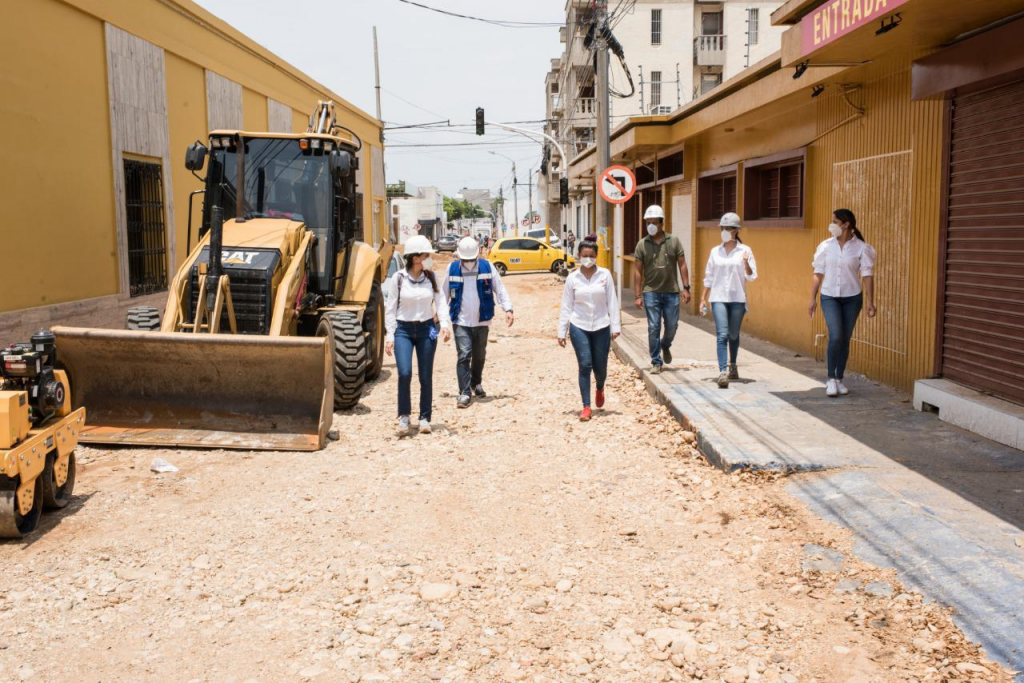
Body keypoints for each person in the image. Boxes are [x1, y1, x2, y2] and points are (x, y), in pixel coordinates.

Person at [384, 235, 452, 435]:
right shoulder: (398, 278)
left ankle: (424, 418)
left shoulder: (431, 277)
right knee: (404, 373)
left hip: (426, 329)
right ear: (416, 258)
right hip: (403, 330)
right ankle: (404, 417)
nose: (430, 259)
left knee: (425, 376)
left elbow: (440, 302)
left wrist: (445, 324)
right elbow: (390, 309)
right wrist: (390, 336)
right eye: (426, 255)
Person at [809, 208, 877, 397]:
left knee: (845, 338)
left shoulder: (861, 248)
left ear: (846, 225)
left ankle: (839, 378)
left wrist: (871, 302)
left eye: (835, 222)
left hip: (852, 298)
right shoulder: (825, 246)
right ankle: (830, 379)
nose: (831, 225)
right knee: (836, 335)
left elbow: (867, 275)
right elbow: (818, 272)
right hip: (829, 296)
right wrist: (812, 298)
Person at [442, 237, 514, 408]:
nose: (468, 262)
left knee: (479, 356)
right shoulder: (452, 268)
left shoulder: (487, 267)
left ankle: (476, 383)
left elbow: (500, 289)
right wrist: (442, 320)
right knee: (464, 355)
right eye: (465, 259)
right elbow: (443, 295)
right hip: (461, 320)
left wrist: (508, 309)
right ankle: (465, 392)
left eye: (470, 259)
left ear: (477, 255)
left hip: (482, 320)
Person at [558, 236, 621, 422]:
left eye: (591, 255)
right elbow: (566, 306)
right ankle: (586, 406)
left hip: (601, 325)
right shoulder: (572, 278)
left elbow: (612, 302)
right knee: (585, 364)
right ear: (578, 255)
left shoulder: (605, 275)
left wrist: (615, 326)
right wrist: (561, 331)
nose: (588, 259)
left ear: (596, 256)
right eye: (585, 255)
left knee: (600, 368)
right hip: (579, 325)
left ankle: (600, 387)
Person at [699, 212, 758, 389]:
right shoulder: (714, 252)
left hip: (737, 298)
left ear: (736, 230)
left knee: (733, 335)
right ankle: (723, 372)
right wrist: (703, 298)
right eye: (722, 228)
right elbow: (709, 277)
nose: (724, 231)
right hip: (718, 298)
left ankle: (733, 364)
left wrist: (746, 263)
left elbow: (751, 276)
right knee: (722, 335)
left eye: (728, 228)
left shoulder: (745, 250)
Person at [632, 204, 691, 374]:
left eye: (654, 222)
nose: (650, 225)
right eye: (647, 223)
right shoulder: (642, 244)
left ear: (661, 223)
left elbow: (682, 264)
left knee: (672, 325)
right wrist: (637, 295)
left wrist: (686, 287)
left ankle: (665, 344)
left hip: (671, 292)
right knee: (653, 327)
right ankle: (656, 362)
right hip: (651, 292)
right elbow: (637, 271)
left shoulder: (673, 241)